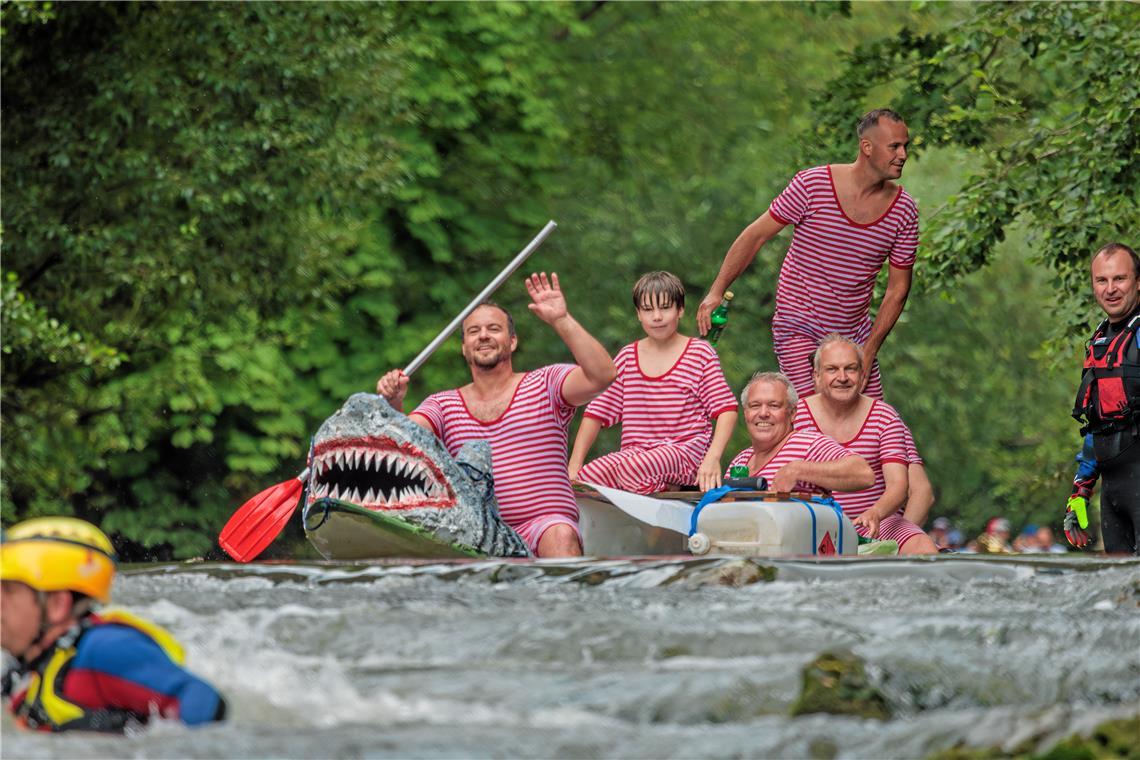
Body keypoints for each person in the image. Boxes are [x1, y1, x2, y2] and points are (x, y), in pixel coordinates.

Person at [376, 273, 616, 558]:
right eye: (474, 331)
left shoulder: (546, 383)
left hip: (544, 529)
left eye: (494, 328)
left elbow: (603, 375)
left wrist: (561, 320)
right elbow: (402, 443)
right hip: (477, 532)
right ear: (464, 347)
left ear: (512, 341)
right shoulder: (443, 404)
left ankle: (565, 598)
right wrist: (393, 405)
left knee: (560, 533)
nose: (484, 335)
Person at [697, 108, 917, 400]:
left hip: (854, 334)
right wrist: (716, 291)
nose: (903, 154)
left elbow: (898, 290)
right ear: (867, 147)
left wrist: (869, 350)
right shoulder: (812, 185)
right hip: (798, 325)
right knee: (814, 419)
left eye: (905, 146)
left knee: (869, 423)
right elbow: (755, 235)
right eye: (894, 146)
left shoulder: (903, 210)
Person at [1, 517, 226, 732]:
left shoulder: (103, 649)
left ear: (57, 605)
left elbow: (203, 699)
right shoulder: (26, 673)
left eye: (7, 590)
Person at [568, 271, 739, 494]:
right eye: (648, 310)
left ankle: (674, 491)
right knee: (588, 478)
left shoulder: (699, 353)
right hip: (637, 456)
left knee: (633, 469)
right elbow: (596, 414)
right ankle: (637, 509)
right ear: (638, 314)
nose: (657, 317)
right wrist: (574, 466)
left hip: (684, 453)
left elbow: (726, 410)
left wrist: (712, 458)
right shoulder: (628, 357)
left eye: (665, 308)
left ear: (680, 310)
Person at [794, 335, 937, 554]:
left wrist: (876, 513)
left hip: (879, 523)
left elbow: (899, 486)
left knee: (922, 545)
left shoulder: (884, 417)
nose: (842, 377)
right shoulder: (795, 416)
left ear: (862, 376)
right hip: (816, 524)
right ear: (817, 377)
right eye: (832, 369)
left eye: (850, 369)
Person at [1070, 241, 1140, 555]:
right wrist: (1080, 490)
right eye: (1102, 280)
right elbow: (1100, 424)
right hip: (1113, 493)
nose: (1110, 289)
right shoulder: (1102, 339)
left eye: (1120, 279)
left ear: (1138, 282)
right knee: (1120, 596)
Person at [724, 371, 874, 495]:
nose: (763, 413)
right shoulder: (740, 461)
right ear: (746, 413)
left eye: (773, 405)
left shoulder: (808, 444)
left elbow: (863, 474)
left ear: (793, 413)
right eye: (755, 406)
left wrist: (798, 470)